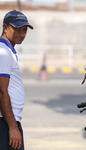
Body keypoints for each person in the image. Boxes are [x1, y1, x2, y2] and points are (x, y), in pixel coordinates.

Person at [0, 10, 33, 150]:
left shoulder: (7, 50)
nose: (21, 34)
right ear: (5, 27)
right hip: (5, 123)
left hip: (8, 121)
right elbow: (2, 91)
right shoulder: (3, 52)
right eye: (17, 29)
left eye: (24, 30)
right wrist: (13, 128)